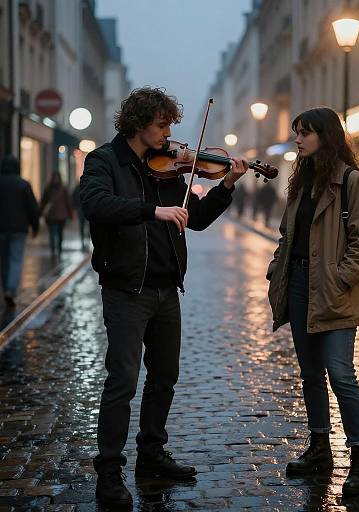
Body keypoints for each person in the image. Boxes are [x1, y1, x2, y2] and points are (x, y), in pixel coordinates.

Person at [80, 87, 247, 508]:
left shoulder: (170, 170)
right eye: (161, 125)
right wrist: (151, 211)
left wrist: (226, 184)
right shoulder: (105, 161)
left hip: (166, 287)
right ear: (137, 123)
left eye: (170, 124)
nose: (168, 133)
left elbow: (198, 219)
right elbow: (96, 203)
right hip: (126, 288)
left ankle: (151, 455)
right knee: (122, 380)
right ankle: (110, 471)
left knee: (164, 377)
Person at [266, 107, 359, 497]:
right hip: (298, 285)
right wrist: (278, 268)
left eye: (305, 133)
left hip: (333, 291)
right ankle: (319, 448)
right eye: (297, 133)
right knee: (310, 373)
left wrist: (340, 279)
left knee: (341, 374)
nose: (298, 139)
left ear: (325, 136)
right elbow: (288, 233)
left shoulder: (350, 180)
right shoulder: (303, 181)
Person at [0, 155, 40, 307]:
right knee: (15, 259)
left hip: (0, 228)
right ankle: (11, 289)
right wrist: (35, 227)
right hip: (19, 229)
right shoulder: (23, 185)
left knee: (4, 260)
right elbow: (32, 208)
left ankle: (6, 289)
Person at [40, 171, 72, 259]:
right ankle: (53, 250)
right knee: (52, 233)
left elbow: (68, 202)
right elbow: (43, 202)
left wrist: (70, 214)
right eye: (54, 178)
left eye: (57, 178)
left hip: (61, 217)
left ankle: (59, 249)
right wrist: (41, 213)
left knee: (59, 233)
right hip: (51, 216)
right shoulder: (48, 189)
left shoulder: (63, 189)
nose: (55, 180)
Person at [72, 180, 88, 250]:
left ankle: (84, 242)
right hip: (83, 210)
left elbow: (73, 199)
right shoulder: (86, 187)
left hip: (82, 210)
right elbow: (73, 199)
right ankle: (84, 242)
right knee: (86, 227)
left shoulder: (77, 188)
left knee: (83, 227)